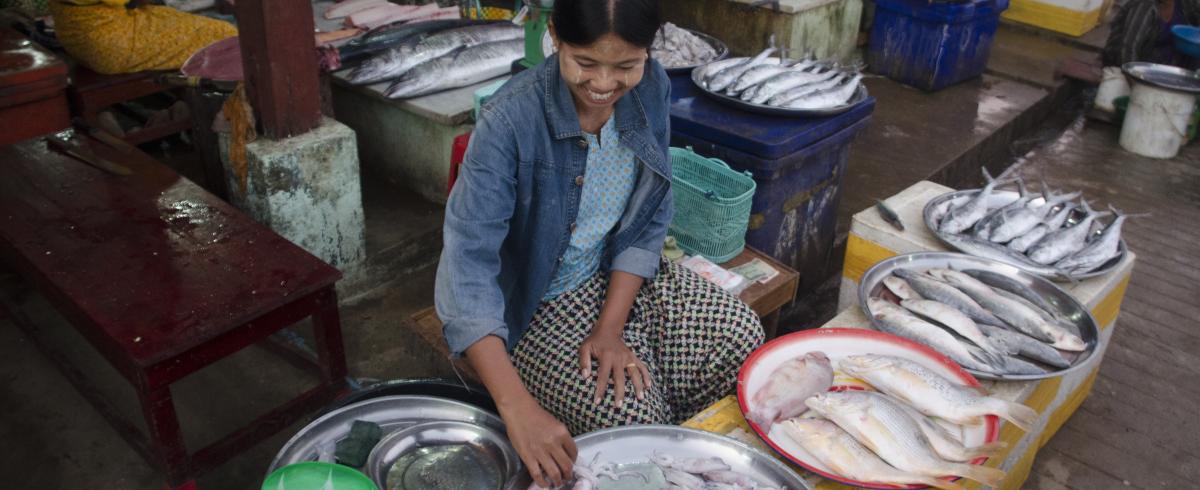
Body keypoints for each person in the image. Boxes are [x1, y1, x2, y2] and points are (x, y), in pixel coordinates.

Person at [434, 0, 764, 487]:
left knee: (740, 336)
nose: (605, 84)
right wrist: (516, 407)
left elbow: (651, 214)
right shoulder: (509, 122)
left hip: (616, 274)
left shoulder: (651, 87)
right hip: (539, 302)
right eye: (585, 62)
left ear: (647, 54)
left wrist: (611, 330)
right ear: (555, 37)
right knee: (629, 424)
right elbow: (467, 265)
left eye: (626, 65)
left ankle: (683, 450)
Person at [48, 0, 235, 74]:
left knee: (174, 15)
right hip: (109, 44)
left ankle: (182, 102)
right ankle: (220, 104)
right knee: (224, 34)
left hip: (75, 39)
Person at [1102, 0, 1200, 68]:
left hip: (1169, 67)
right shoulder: (1144, 5)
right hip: (1136, 68)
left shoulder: (1186, 4)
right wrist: (1138, 84)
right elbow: (1128, 49)